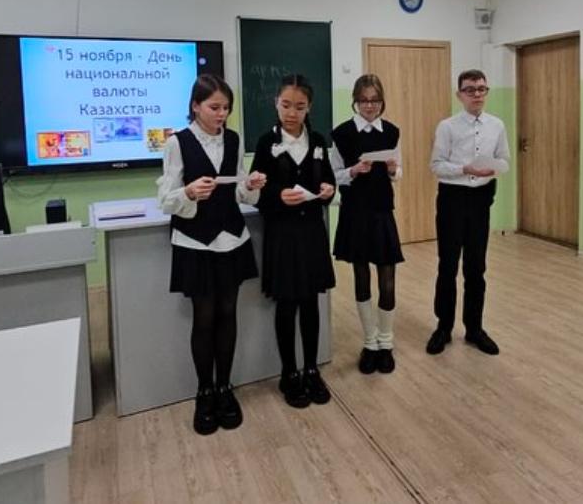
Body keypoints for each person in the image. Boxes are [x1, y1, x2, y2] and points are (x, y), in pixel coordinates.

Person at [157, 73, 266, 435]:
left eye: (226, 108)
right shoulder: (177, 142)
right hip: (196, 242)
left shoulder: (233, 139)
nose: (222, 114)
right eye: (214, 107)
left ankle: (224, 387)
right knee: (203, 318)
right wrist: (188, 192)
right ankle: (204, 391)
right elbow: (165, 199)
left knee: (228, 313)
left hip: (231, 239)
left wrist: (250, 185)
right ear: (195, 106)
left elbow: (239, 190)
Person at [251, 74, 337, 408]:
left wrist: (328, 190)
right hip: (283, 235)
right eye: (286, 105)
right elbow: (257, 189)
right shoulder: (265, 142)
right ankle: (289, 372)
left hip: (312, 232)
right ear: (276, 103)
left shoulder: (318, 141)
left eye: (299, 107)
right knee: (286, 304)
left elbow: (327, 181)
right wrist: (277, 195)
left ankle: (312, 369)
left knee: (311, 303)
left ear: (309, 107)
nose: (291, 113)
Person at [427, 69, 509, 357]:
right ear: (459, 94)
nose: (477, 94)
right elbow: (436, 165)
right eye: (470, 89)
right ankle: (443, 327)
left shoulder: (497, 125)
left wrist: (493, 168)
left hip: (480, 200)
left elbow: (504, 159)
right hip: (452, 198)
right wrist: (465, 168)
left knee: (476, 267)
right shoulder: (447, 127)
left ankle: (474, 328)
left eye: (481, 89)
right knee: (448, 265)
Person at [330, 74, 404, 374]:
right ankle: (370, 342)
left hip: (382, 211)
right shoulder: (342, 133)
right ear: (355, 102)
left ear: (382, 101)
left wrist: (393, 169)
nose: (369, 106)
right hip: (355, 212)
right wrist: (353, 171)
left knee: (387, 279)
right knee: (361, 277)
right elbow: (333, 174)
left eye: (375, 100)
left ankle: (386, 342)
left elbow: (398, 174)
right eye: (363, 100)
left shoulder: (392, 131)